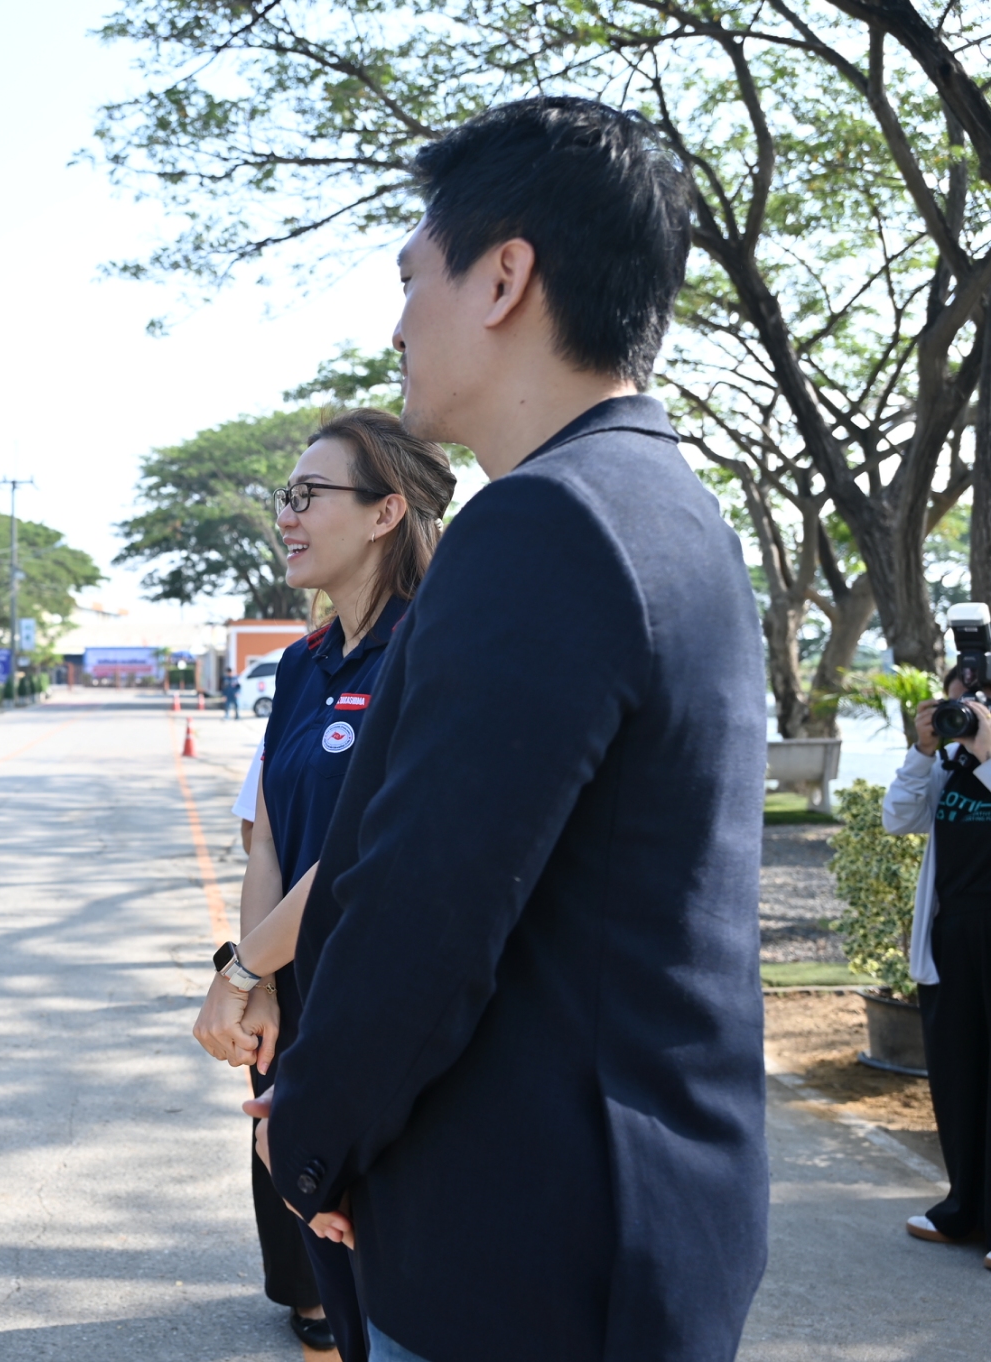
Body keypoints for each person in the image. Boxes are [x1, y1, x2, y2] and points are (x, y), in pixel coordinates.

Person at [253, 98, 768, 1362]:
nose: (395, 325)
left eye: (409, 278)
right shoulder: (668, 505)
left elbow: (425, 903)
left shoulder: (543, 523)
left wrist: (309, 1135)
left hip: (525, 1243)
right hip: (632, 1215)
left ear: (502, 277)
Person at [194, 410, 455, 1359]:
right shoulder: (303, 665)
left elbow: (368, 850)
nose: (287, 517)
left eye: (309, 496)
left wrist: (237, 971)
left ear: (387, 512)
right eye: (286, 496)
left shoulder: (435, 647)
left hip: (385, 1001)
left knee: (393, 1276)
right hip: (294, 995)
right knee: (328, 1268)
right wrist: (261, 980)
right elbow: (268, 830)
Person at [885, 669, 991, 1259]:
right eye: (957, 704)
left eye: (976, 703)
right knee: (958, 1075)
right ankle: (964, 1211)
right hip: (952, 937)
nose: (966, 714)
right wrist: (923, 750)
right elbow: (898, 818)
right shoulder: (949, 763)